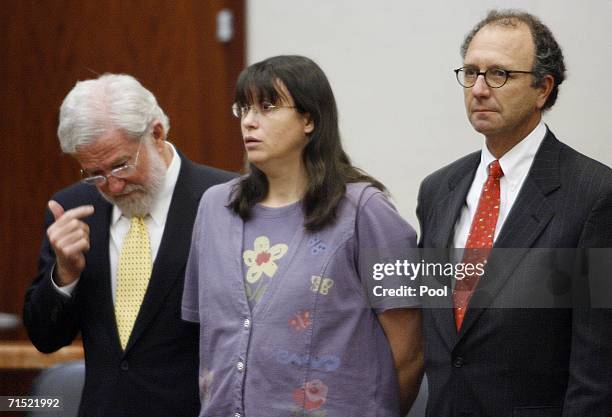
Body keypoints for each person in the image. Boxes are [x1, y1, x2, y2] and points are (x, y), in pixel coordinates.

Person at [181, 55, 423, 417]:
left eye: (267, 106)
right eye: (243, 108)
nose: (249, 121)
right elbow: (208, 338)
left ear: (309, 119)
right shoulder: (215, 207)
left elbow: (410, 352)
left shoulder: (365, 211)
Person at [416, 10, 612, 417]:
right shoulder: (437, 190)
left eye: (499, 74)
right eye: (470, 73)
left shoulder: (594, 194)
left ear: (542, 88)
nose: (480, 89)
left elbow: (596, 369)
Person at [23, 73, 235, 417]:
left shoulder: (227, 201)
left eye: (121, 164)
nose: (113, 185)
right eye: (94, 172)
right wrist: (64, 274)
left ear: (156, 134)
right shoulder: (73, 210)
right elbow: (46, 338)